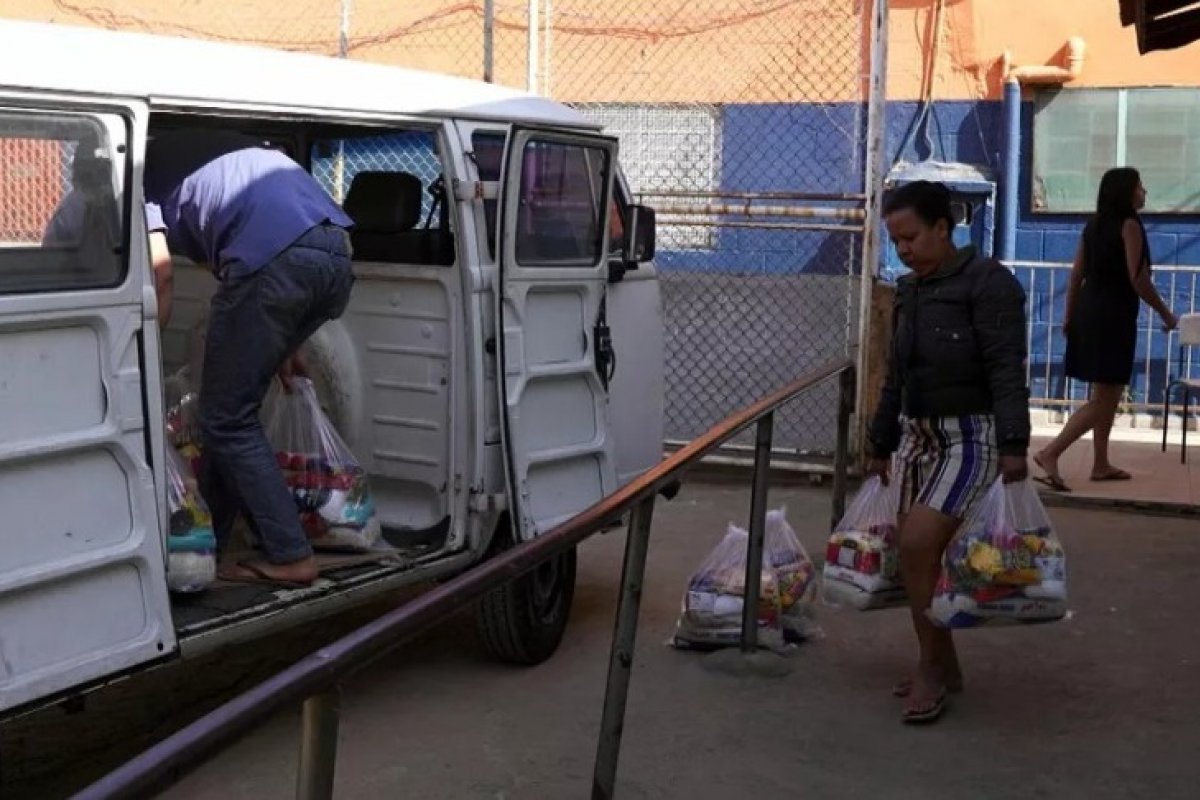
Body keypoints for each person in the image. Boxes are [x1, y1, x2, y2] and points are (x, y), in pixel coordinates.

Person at [144, 130, 355, 586]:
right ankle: (208, 542)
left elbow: (161, 277)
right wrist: (284, 341)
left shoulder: (133, 172)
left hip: (276, 263)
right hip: (336, 256)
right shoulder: (202, 153)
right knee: (229, 415)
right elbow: (228, 256)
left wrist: (139, 354)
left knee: (225, 419)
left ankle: (290, 554)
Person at [866, 180, 1030, 725]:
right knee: (916, 555)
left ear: (943, 228)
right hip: (919, 437)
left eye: (911, 237)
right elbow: (896, 375)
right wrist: (881, 443)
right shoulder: (909, 290)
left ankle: (931, 669)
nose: (903, 250)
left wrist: (1014, 444)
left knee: (918, 543)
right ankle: (942, 664)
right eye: (895, 241)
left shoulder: (990, 284)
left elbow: (1006, 367)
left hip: (972, 434)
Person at [1033, 167, 1177, 491]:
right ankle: (1050, 452)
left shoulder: (1094, 225)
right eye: (1139, 186)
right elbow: (1138, 278)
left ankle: (1100, 463)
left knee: (1105, 394)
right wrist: (1167, 314)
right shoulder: (1130, 226)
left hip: (1089, 310)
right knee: (1105, 398)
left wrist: (1069, 316)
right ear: (1126, 192)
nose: (1144, 192)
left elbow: (1076, 275)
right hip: (1113, 315)